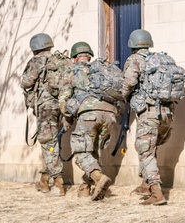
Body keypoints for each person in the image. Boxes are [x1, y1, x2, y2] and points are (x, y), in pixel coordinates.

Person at [120, 29, 174, 206]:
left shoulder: (135, 60)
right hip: (167, 113)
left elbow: (129, 82)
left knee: (145, 151)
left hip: (149, 112)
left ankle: (157, 193)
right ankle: (145, 185)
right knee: (151, 148)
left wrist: (122, 95)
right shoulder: (159, 60)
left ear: (132, 44)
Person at [59, 41, 116, 201]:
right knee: (93, 151)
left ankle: (98, 178)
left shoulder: (71, 70)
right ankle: (85, 188)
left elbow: (63, 99)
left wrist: (67, 117)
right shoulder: (101, 70)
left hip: (88, 113)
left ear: (75, 57)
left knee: (81, 152)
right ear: (89, 56)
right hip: (110, 114)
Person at [19, 33, 65, 195]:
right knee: (50, 142)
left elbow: (26, 82)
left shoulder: (36, 61)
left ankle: (58, 183)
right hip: (60, 107)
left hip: (45, 108)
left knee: (49, 143)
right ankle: (44, 181)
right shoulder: (58, 61)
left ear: (35, 48)